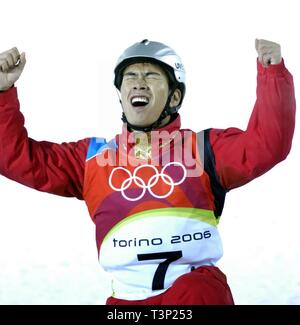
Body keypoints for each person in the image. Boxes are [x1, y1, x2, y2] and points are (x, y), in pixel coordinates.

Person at [0, 39, 295, 305]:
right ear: (121, 94)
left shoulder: (204, 150)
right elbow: (18, 159)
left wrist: (272, 75)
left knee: (199, 293)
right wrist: (2, 92)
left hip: (195, 295)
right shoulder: (91, 158)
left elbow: (267, 144)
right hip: (126, 304)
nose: (139, 83)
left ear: (175, 97)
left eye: (151, 76)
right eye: (131, 76)